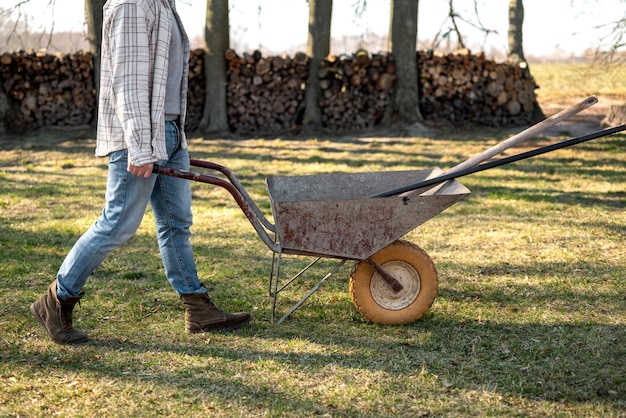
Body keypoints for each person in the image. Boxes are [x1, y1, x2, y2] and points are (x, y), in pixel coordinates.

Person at [30, 0, 251, 345]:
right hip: (143, 134)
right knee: (117, 223)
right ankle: (56, 300)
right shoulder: (133, 3)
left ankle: (197, 306)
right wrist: (140, 145)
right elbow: (128, 82)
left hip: (169, 131)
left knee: (176, 223)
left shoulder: (162, 3)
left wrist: (173, 134)